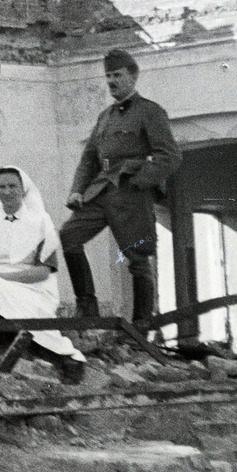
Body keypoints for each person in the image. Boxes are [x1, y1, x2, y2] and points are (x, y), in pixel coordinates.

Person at [60, 48, 181, 320]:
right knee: (69, 235)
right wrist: (77, 190)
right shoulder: (105, 116)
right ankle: (87, 304)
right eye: (108, 76)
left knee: (138, 260)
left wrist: (140, 181)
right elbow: (89, 157)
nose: (111, 81)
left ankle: (140, 327)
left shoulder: (150, 111)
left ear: (133, 77)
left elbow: (170, 155)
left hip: (131, 194)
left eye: (117, 75)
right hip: (101, 190)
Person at [0, 166, 86, 382]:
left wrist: (0, 278)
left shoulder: (41, 221)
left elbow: (43, 272)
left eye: (13, 186)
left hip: (33, 287)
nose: (7, 191)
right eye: (1, 187)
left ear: (23, 189)